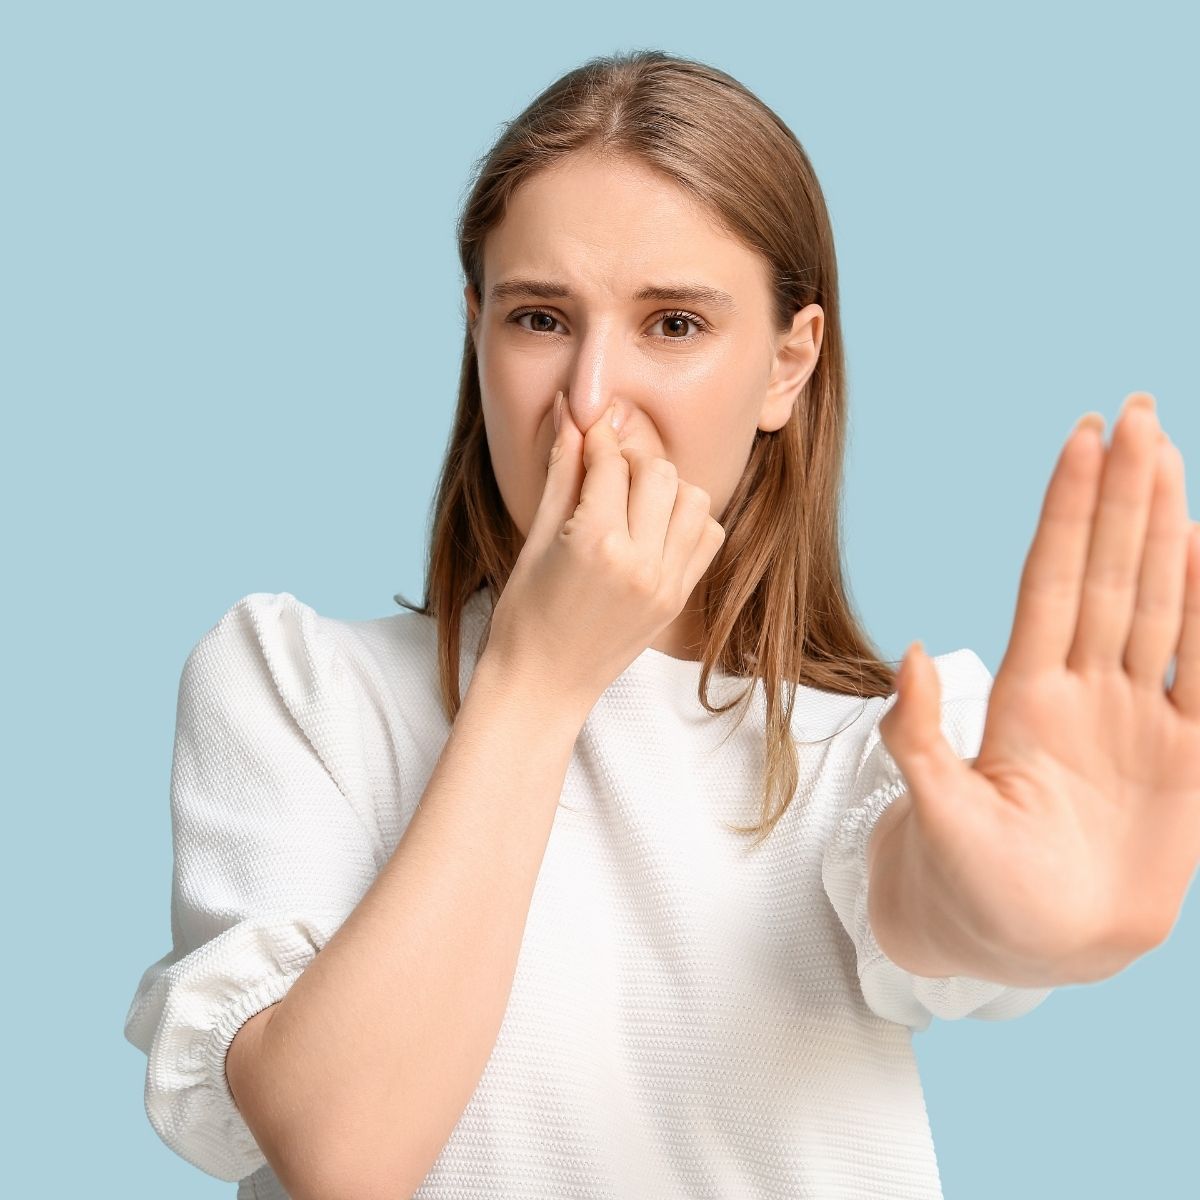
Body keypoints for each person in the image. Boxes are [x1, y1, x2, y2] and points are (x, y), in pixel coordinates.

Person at [123, 48, 1199, 1200]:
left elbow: (936, 890)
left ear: (789, 366)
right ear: (475, 330)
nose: (590, 400)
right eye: (540, 318)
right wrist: (540, 679)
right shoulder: (296, 687)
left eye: (674, 325)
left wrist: (1019, 910)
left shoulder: (881, 752)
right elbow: (345, 1151)